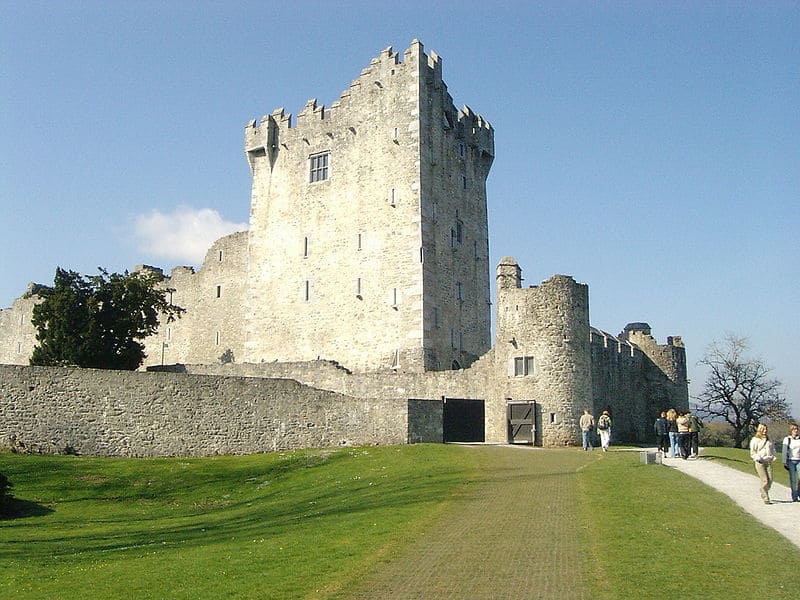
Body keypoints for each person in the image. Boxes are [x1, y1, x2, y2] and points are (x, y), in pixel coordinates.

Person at [749, 423, 776, 505]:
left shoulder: (769, 439)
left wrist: (772, 456)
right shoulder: (755, 440)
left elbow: (772, 449)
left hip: (768, 461)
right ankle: (765, 497)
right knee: (765, 480)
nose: (765, 431)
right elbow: (752, 452)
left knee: (770, 480)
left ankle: (763, 490)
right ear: (759, 430)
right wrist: (758, 457)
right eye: (763, 429)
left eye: (766, 429)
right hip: (760, 462)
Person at [781, 423, 800, 502]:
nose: (796, 430)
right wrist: (784, 461)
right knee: (793, 479)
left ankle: (798, 492)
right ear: (791, 430)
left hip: (799, 460)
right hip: (791, 460)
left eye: (797, 429)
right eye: (794, 429)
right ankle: (794, 496)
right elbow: (784, 450)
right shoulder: (787, 439)